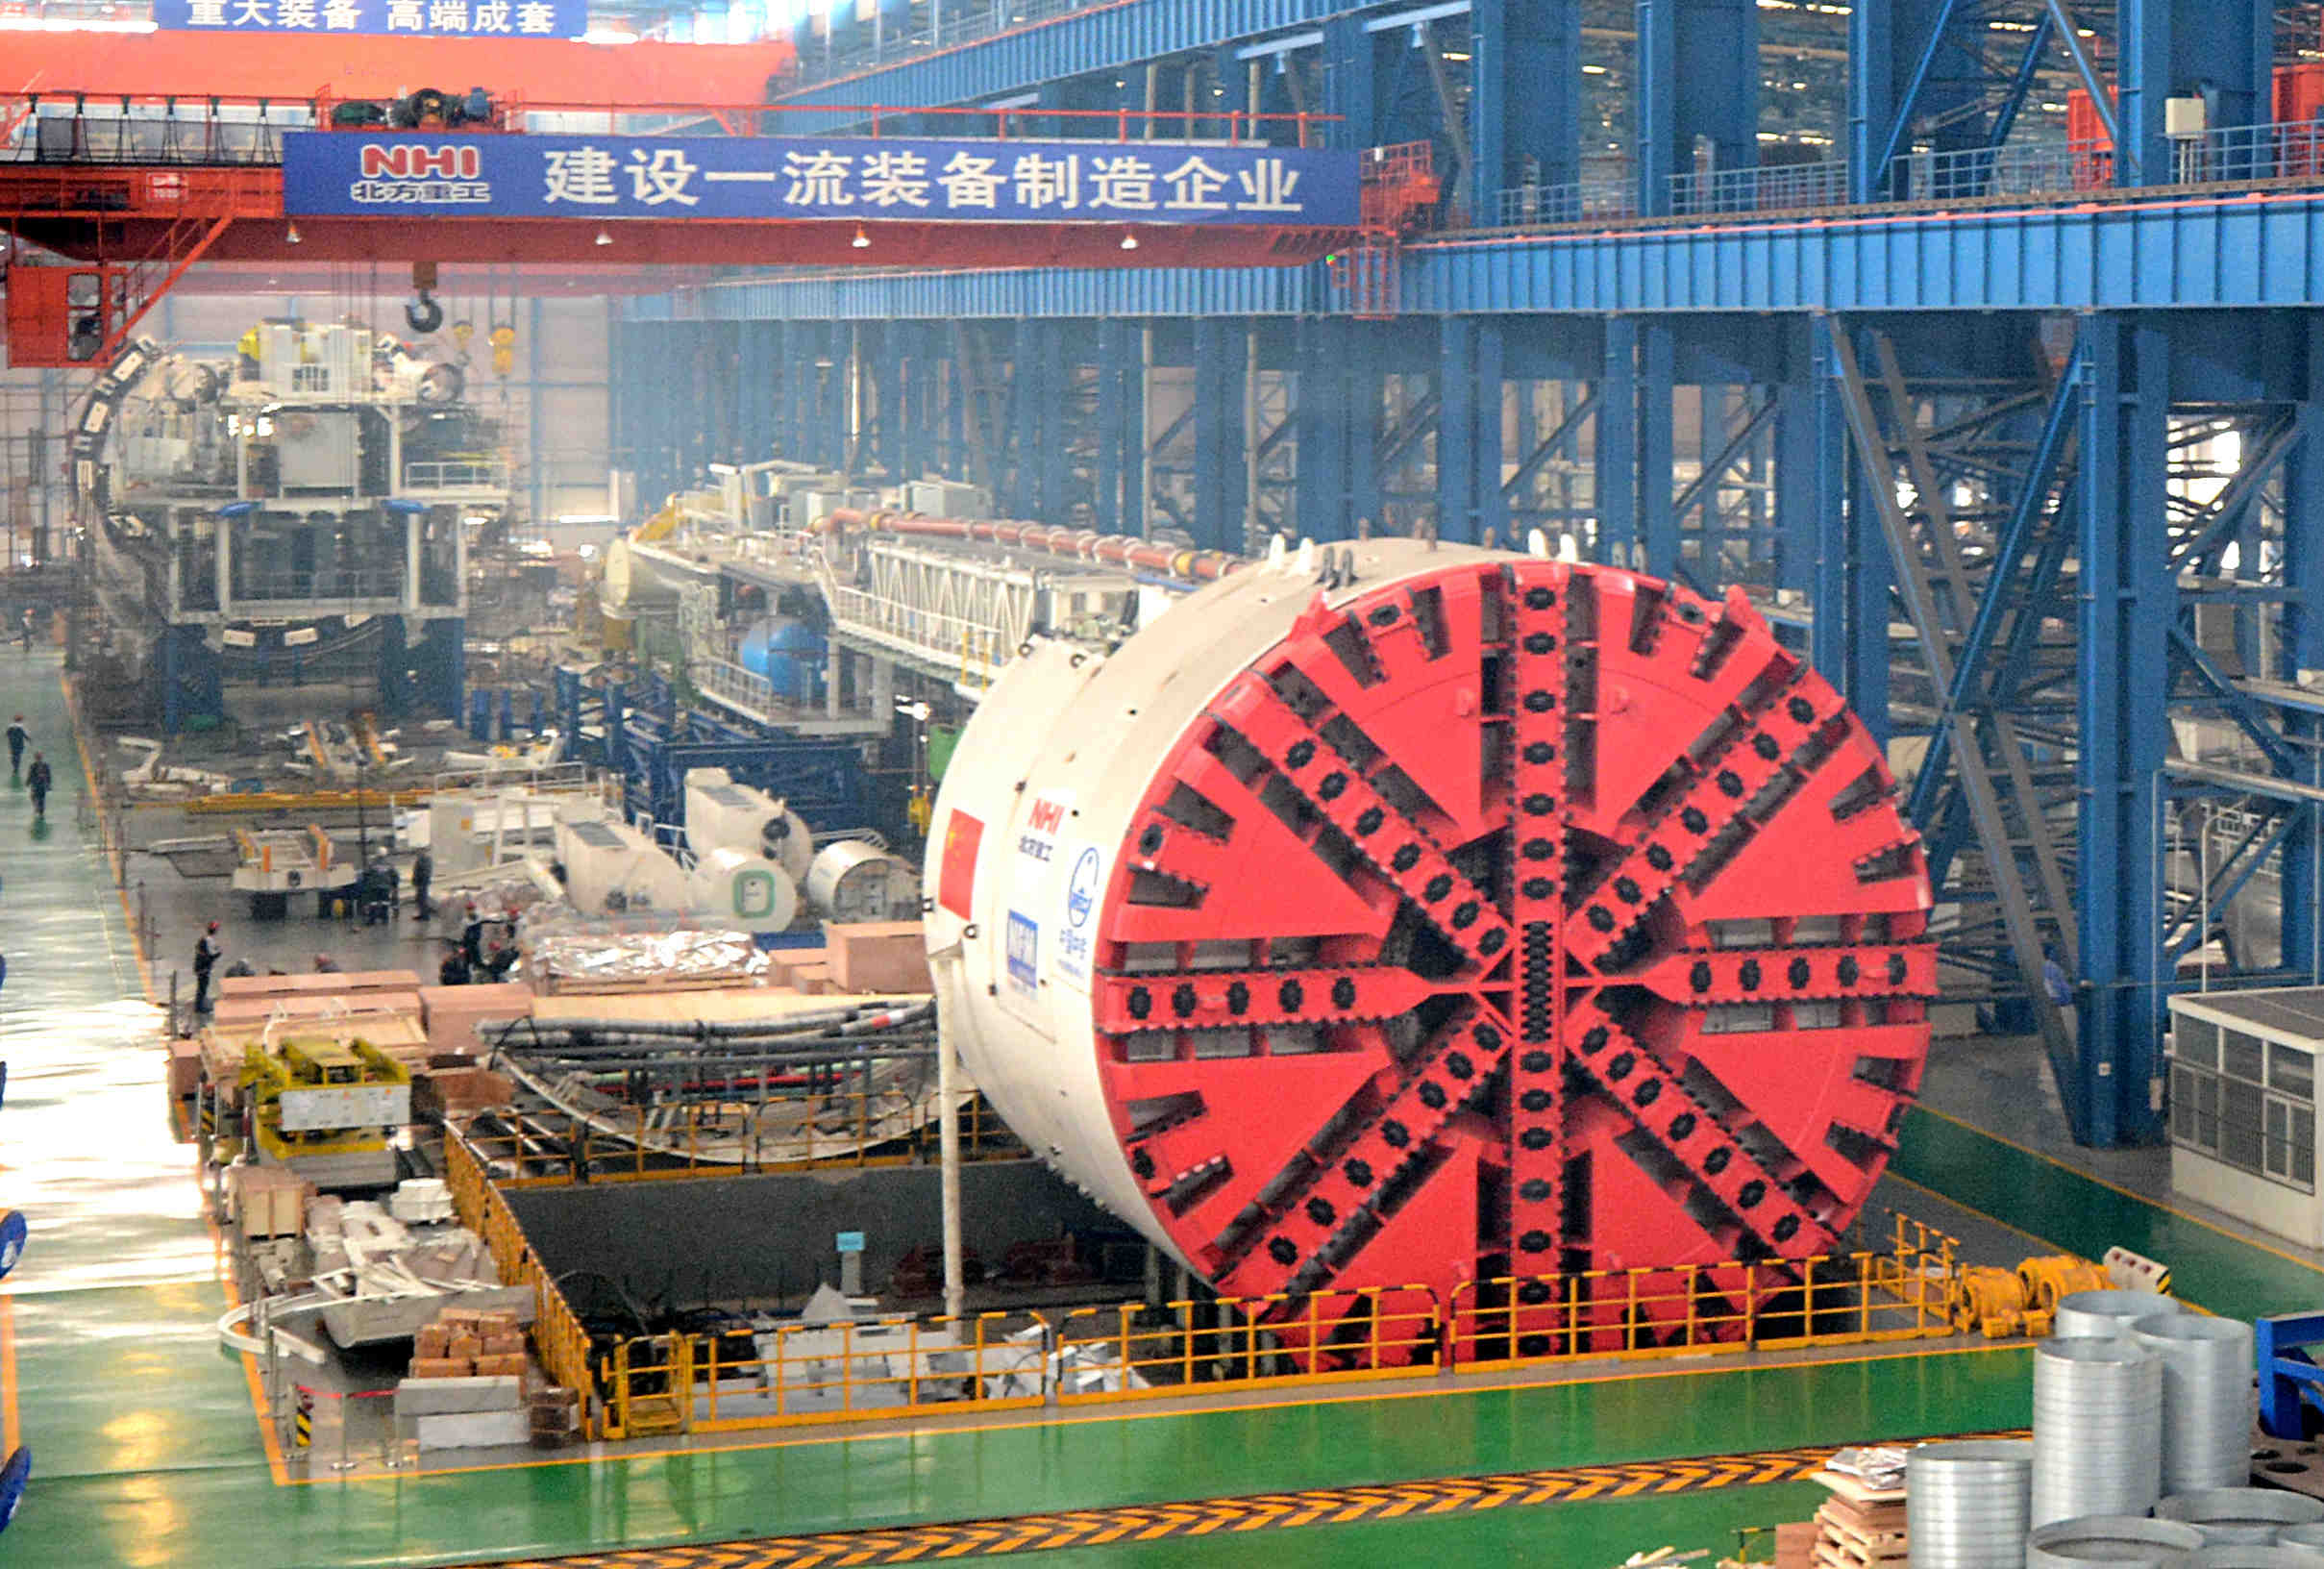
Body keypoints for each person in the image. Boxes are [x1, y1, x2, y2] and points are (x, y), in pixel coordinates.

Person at [192, 921, 221, 1014]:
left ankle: (199, 1005)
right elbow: (213, 954)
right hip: (203, 968)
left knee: (201, 987)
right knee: (203, 987)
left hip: (200, 967)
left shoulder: (204, 939)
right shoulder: (209, 940)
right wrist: (219, 952)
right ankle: (200, 1008)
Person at [23, 753, 51, 822]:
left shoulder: (33, 766)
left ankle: (38, 809)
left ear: (35, 758)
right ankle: (40, 811)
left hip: (36, 785)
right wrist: (48, 785)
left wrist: (27, 783)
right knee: (41, 799)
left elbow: (30, 775)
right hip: (41, 785)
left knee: (34, 797)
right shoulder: (45, 765)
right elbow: (48, 776)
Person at [409, 845, 433, 920]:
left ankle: (425, 916)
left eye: (418, 851)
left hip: (422, 882)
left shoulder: (425, 859)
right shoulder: (421, 859)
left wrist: (420, 881)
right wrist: (414, 880)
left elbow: (424, 872)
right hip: (420, 882)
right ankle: (422, 913)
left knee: (423, 898)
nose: (417, 853)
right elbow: (416, 871)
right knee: (419, 898)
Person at [5, 717, 25, 783]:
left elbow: (6, 734)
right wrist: (29, 739)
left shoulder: (10, 727)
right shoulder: (20, 727)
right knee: (18, 756)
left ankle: (15, 767)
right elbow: (24, 735)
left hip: (13, 744)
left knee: (14, 756)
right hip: (19, 744)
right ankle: (16, 768)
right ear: (20, 720)